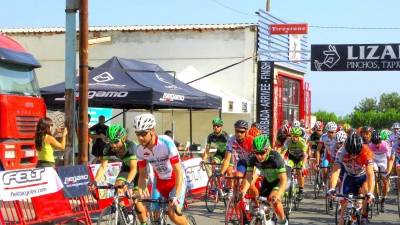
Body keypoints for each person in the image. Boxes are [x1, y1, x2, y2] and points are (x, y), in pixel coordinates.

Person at [134, 114, 189, 225]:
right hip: (160, 182)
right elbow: (143, 174)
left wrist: (175, 196)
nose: (140, 138)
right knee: (154, 215)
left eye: (143, 134)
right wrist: (139, 191)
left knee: (173, 214)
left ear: (152, 131)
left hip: (176, 179)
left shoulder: (166, 143)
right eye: (137, 134)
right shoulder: (139, 150)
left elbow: (178, 171)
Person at [93, 124, 148, 224]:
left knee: (137, 202)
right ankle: (122, 212)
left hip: (140, 169)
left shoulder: (131, 147)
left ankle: (143, 222)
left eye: (116, 142)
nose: (113, 145)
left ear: (123, 138)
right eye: (110, 142)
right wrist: (95, 181)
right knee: (117, 186)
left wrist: (127, 183)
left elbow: (134, 169)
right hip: (127, 167)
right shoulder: (108, 149)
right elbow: (103, 167)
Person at [327, 133, 375, 225]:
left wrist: (370, 192)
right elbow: (336, 170)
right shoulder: (341, 151)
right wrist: (332, 188)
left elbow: (370, 174)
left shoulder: (367, 151)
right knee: (342, 213)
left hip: (362, 176)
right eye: (350, 153)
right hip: (349, 176)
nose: (353, 155)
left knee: (366, 193)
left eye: (356, 153)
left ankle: (364, 216)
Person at [240, 135, 288, 225]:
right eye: (256, 153)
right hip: (268, 180)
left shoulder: (276, 158)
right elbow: (249, 177)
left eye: (262, 153)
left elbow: (283, 180)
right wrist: (243, 192)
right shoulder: (252, 158)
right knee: (263, 205)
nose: (259, 156)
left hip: (279, 180)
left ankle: (283, 220)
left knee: (273, 200)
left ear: (268, 150)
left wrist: (278, 195)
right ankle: (268, 221)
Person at [369, 130, 394, 212]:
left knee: (385, 180)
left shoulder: (385, 145)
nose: (376, 145)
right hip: (375, 160)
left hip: (384, 161)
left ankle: (383, 198)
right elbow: (369, 159)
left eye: (378, 142)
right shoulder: (370, 146)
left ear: (380, 140)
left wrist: (388, 171)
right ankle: (376, 195)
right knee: (374, 177)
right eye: (374, 143)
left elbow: (389, 159)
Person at [282, 127, 308, 200]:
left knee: (299, 170)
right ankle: (287, 186)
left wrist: (303, 165)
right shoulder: (288, 141)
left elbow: (305, 155)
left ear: (299, 136)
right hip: (292, 158)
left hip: (300, 158)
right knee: (288, 168)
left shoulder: (302, 141)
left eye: (296, 136)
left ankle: (301, 190)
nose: (294, 138)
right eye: (293, 136)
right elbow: (283, 153)